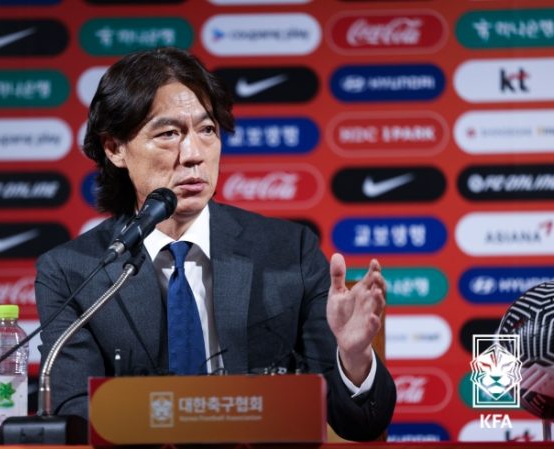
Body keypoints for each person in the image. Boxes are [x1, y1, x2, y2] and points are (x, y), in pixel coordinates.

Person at [35, 46, 396, 441]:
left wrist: (354, 359)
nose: (194, 155)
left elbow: (360, 423)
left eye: (207, 130)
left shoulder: (288, 252)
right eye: (169, 134)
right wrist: (182, 418)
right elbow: (73, 413)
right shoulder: (74, 272)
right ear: (115, 149)